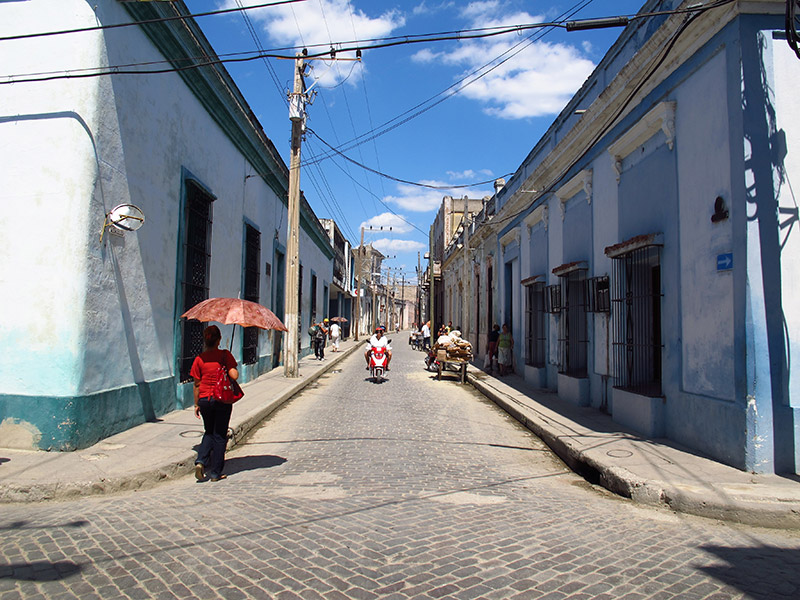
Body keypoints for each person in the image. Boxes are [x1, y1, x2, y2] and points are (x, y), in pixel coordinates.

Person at [190, 325, 238, 482]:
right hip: (221, 400)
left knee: (209, 431)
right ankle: (216, 473)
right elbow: (234, 375)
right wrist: (229, 364)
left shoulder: (199, 359)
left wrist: (197, 404)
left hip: (204, 400)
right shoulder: (224, 355)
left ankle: (201, 461)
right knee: (219, 435)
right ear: (219, 340)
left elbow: (196, 385)